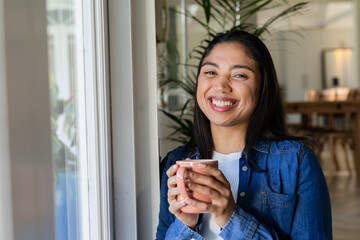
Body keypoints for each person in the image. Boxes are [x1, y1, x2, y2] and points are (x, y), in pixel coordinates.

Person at [156, 30, 332, 239]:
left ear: (262, 88)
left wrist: (229, 217)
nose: (220, 86)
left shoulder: (296, 162)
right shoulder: (175, 163)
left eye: (239, 74)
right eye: (211, 72)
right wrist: (185, 225)